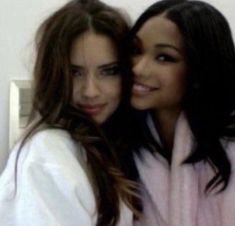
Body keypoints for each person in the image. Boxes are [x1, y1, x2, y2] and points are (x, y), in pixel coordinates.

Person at [0, 0, 141, 225]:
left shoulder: (113, 146)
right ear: (54, 74)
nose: (90, 91)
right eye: (75, 73)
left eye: (108, 71)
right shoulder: (48, 156)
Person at [127, 0, 235, 225]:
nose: (138, 68)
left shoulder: (230, 146)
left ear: (200, 68)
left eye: (164, 57)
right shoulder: (122, 141)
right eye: (136, 51)